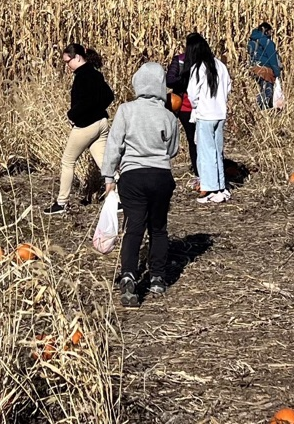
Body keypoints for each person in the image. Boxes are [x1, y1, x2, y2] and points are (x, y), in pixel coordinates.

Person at [101, 63, 179, 306]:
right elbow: (173, 149)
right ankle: (156, 277)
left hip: (132, 176)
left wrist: (108, 176)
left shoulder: (126, 110)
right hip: (160, 176)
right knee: (158, 228)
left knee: (133, 227)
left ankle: (128, 276)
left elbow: (114, 144)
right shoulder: (168, 115)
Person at [44, 43, 115, 215]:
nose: (67, 66)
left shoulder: (82, 77)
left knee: (67, 161)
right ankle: (118, 198)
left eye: (67, 61)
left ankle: (62, 202)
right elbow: (108, 96)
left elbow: (84, 103)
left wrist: (73, 115)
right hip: (102, 122)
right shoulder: (95, 74)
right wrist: (98, 110)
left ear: (77, 57)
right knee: (104, 161)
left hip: (86, 125)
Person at [185, 33, 232, 203]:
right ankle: (221, 186)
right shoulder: (220, 65)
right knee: (217, 151)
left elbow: (192, 95)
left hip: (205, 115)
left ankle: (209, 187)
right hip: (220, 114)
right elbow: (228, 88)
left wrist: (198, 106)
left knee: (205, 153)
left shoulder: (198, 68)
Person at [165, 47, 197, 175]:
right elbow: (169, 80)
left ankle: (202, 170)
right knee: (191, 138)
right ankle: (197, 170)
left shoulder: (204, 62)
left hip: (200, 107)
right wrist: (184, 79)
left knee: (199, 139)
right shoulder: (180, 60)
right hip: (183, 105)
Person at [247, 22, 281, 109]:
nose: (271, 34)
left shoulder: (251, 42)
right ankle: (261, 109)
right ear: (266, 31)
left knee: (259, 89)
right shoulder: (267, 42)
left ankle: (254, 108)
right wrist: (277, 73)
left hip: (254, 69)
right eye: (270, 32)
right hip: (265, 71)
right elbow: (272, 58)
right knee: (267, 92)